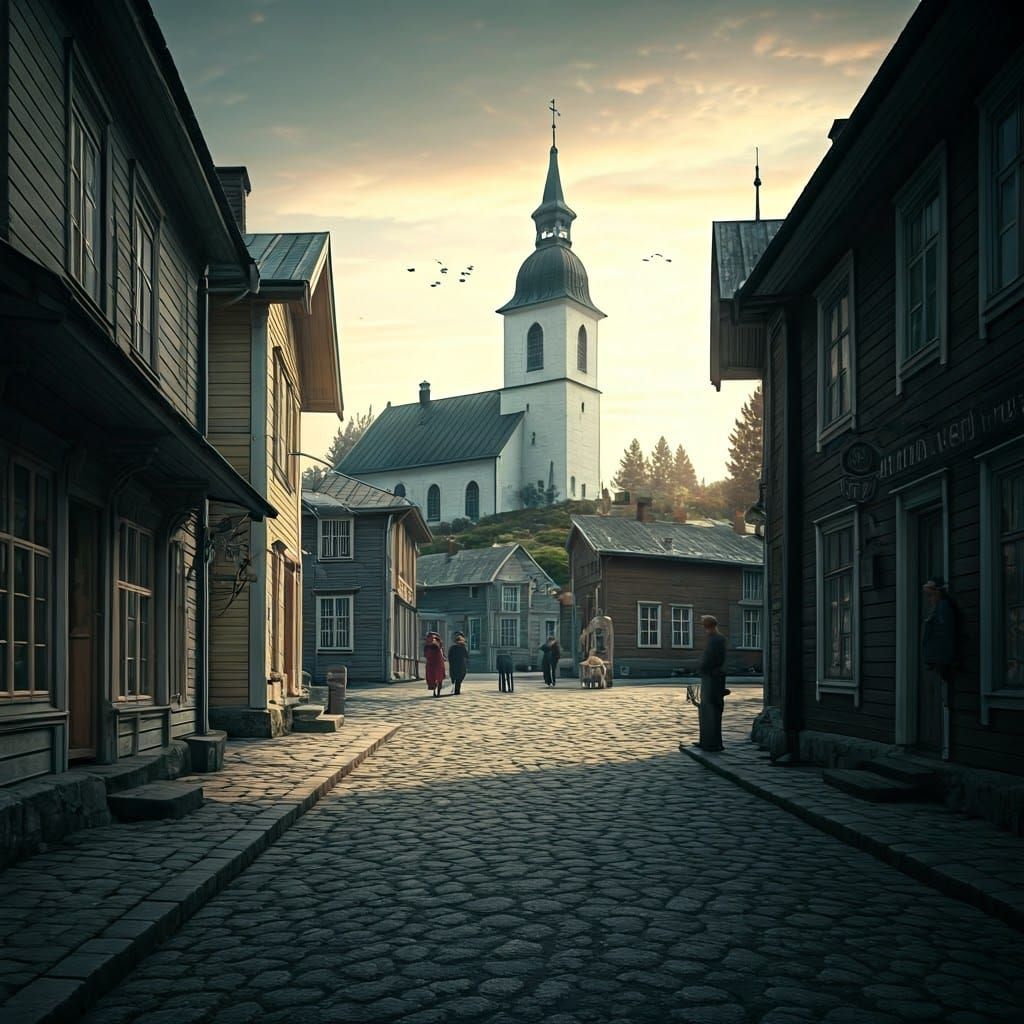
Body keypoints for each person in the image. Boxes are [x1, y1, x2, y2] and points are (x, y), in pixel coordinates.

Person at [922, 577, 956, 757]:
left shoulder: (943, 608)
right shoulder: (939, 608)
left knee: (945, 697)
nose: (930, 599)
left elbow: (944, 635)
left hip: (942, 661)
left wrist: (940, 659)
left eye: (931, 595)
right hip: (938, 660)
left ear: (938, 593)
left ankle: (943, 745)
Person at [695, 614, 727, 751]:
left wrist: (702, 668)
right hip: (713, 677)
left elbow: (712, 659)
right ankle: (707, 741)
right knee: (708, 711)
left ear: (707, 626)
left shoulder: (715, 639)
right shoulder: (717, 638)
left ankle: (711, 743)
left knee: (710, 711)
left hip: (712, 679)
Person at [424, 632, 446, 697]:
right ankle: (438, 692)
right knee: (439, 677)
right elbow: (441, 652)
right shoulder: (438, 643)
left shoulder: (427, 645)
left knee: (432, 677)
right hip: (438, 663)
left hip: (431, 663)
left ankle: (434, 691)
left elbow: (425, 654)